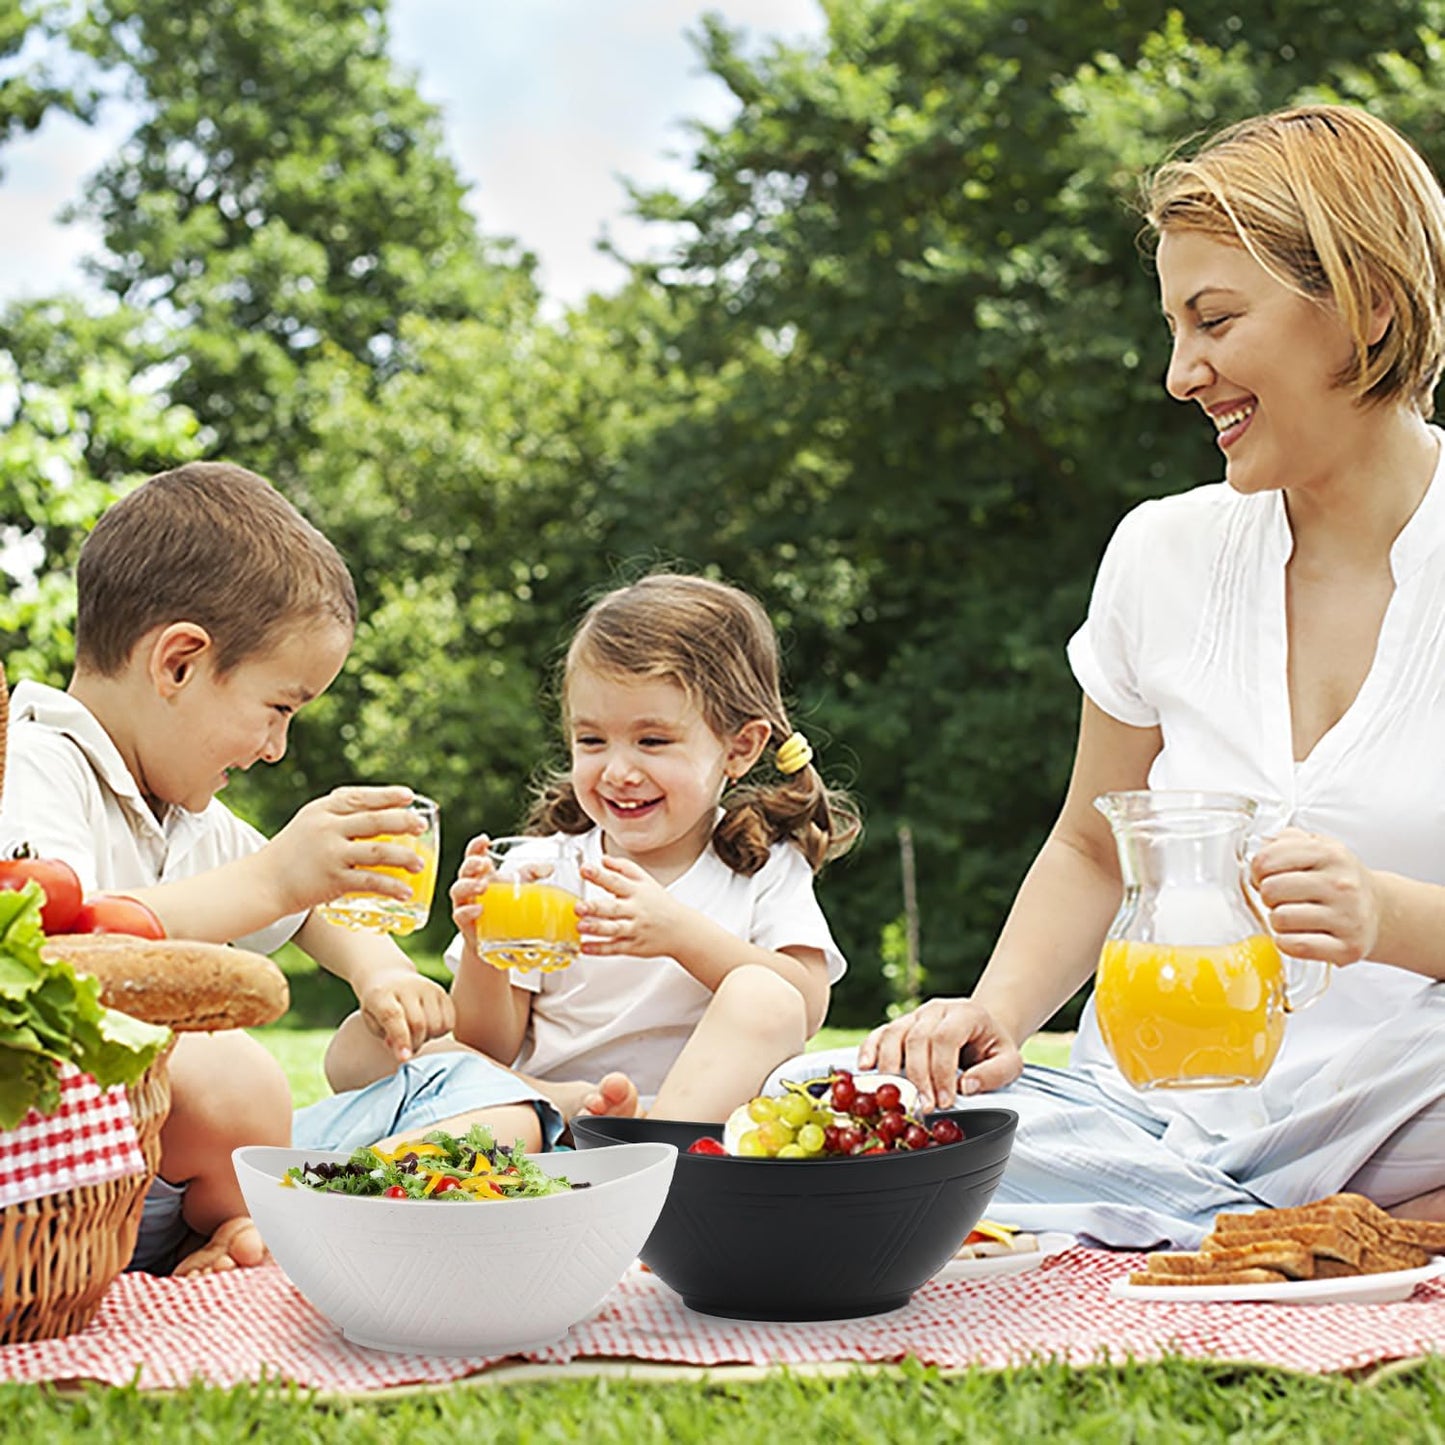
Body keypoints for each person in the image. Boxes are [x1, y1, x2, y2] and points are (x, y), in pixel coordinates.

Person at [776, 104, 1445, 1247]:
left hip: (1409, 1099)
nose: (1180, 374)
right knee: (823, 1109)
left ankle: (1211, 1222)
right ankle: (1300, 1227)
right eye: (1173, 328)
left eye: (1213, 320)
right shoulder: (1158, 552)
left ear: (1367, 302)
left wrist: (1383, 914)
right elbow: (1092, 846)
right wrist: (991, 1014)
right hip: (1158, 1106)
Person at [0, 462, 572, 1273]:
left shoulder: (186, 812)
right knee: (231, 1071)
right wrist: (272, 876)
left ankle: (283, 1217)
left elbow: (307, 909)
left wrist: (379, 970)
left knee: (486, 1098)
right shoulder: (34, 766)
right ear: (179, 663)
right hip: (71, 1178)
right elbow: (58, 944)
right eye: (279, 709)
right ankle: (278, 1219)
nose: (276, 748)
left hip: (192, 1173)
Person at [325, 572, 860, 1119]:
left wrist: (679, 934)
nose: (618, 771)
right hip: (552, 1115)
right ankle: (563, 1106)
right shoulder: (539, 870)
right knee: (362, 1044)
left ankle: (649, 1139)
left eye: (653, 741)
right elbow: (488, 1046)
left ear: (740, 748)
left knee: (764, 994)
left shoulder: (764, 866)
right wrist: (483, 948)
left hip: (689, 1122)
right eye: (592, 740)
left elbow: (803, 1007)